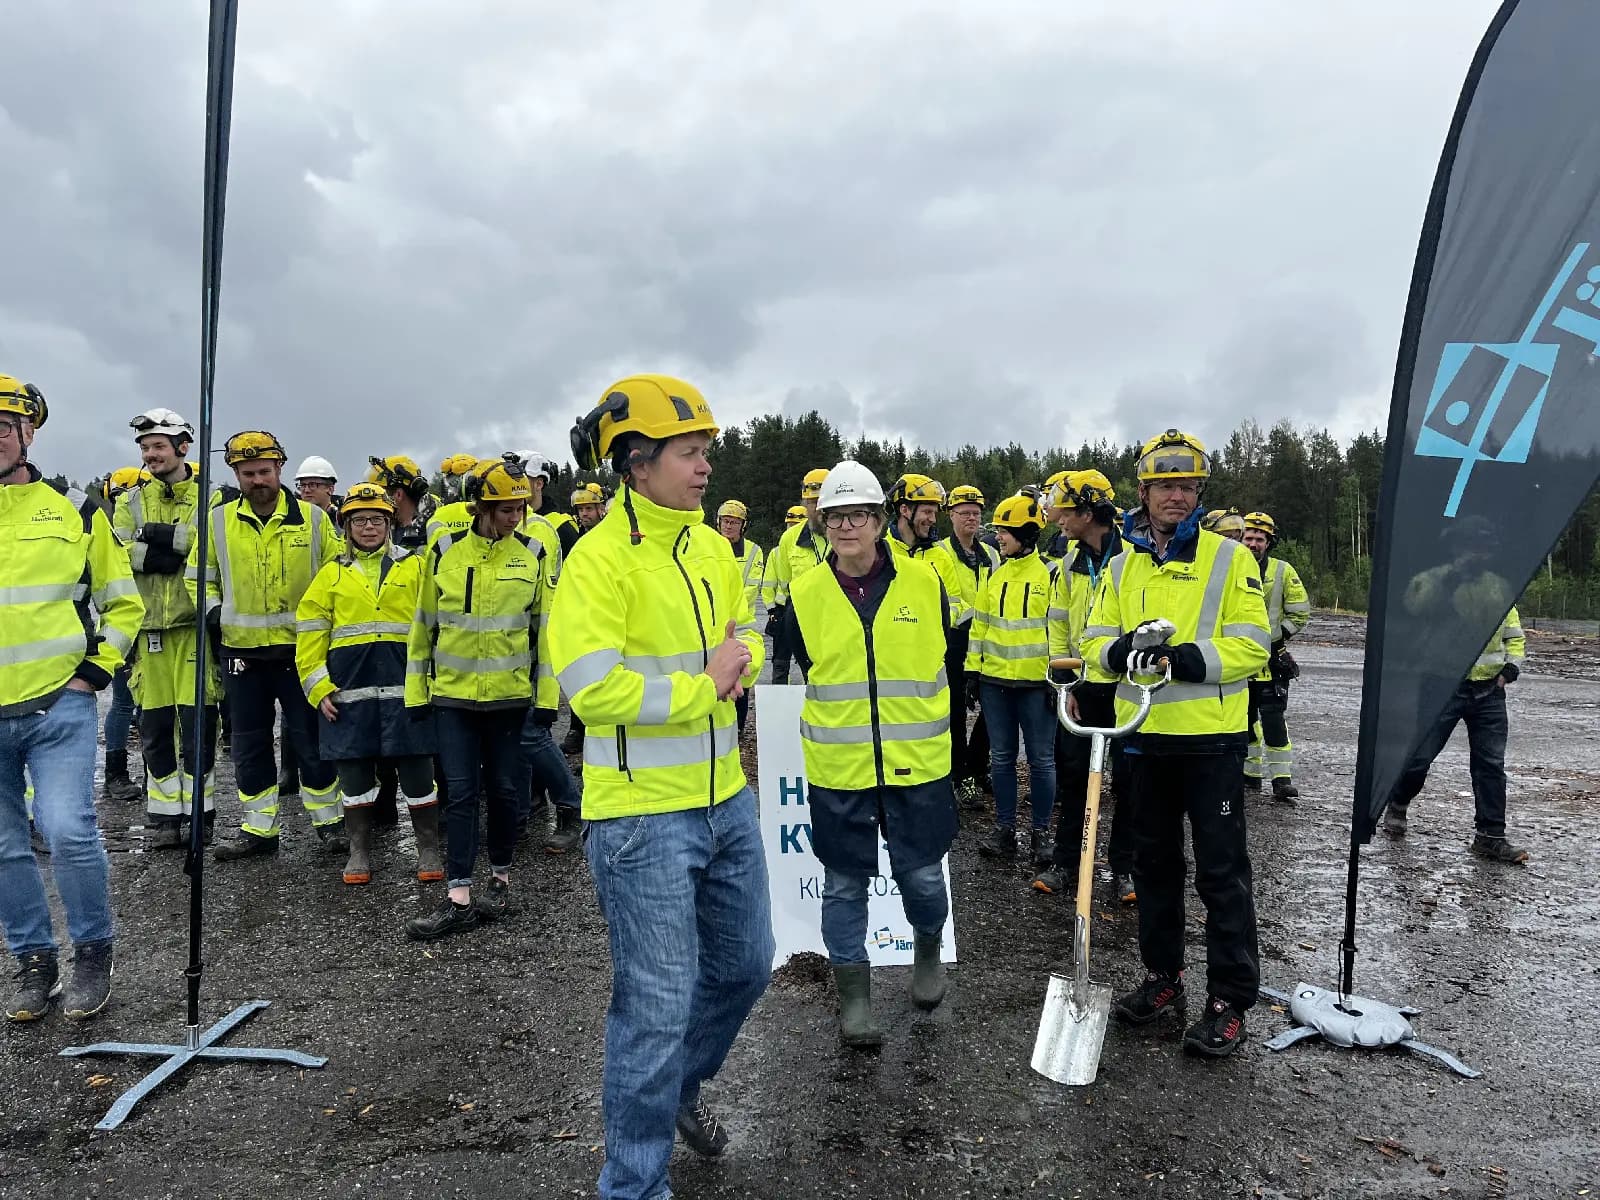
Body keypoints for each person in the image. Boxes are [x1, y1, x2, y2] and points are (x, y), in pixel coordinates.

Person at [549, 374, 770, 1200]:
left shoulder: (714, 547)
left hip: (726, 802)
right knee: (654, 1005)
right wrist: (704, 687)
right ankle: (633, 1185)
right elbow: (591, 688)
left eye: (707, 450)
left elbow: (737, 627)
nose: (706, 466)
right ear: (636, 464)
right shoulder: (598, 560)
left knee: (748, 967)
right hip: (642, 819)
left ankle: (675, 1092)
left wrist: (738, 656)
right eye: (689, 452)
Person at [1082, 428, 1270, 1058]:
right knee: (1155, 868)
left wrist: (1185, 659)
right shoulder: (1120, 563)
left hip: (1212, 743)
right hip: (1142, 740)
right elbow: (1092, 642)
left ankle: (1230, 999)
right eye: (1165, 485)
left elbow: (1253, 646)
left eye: (1187, 485)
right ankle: (1163, 976)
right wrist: (1119, 651)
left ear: (1199, 491)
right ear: (1144, 490)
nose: (1176, 496)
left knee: (1221, 875)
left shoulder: (1231, 557)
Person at [786, 461, 955, 1046]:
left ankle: (927, 949)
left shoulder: (923, 582)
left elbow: (943, 665)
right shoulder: (804, 591)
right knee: (843, 887)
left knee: (924, 879)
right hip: (841, 770)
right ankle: (854, 998)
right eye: (834, 516)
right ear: (822, 523)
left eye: (857, 514)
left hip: (918, 768)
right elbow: (809, 667)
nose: (845, 526)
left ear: (881, 521)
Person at [0, 375, 143, 1022]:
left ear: (29, 433)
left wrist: (95, 672)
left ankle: (92, 951)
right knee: (4, 845)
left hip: (59, 703)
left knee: (65, 828)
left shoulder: (76, 510)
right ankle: (33, 961)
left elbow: (122, 601)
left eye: (3, 426)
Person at [191, 431, 348, 862]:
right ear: (236, 475)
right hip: (241, 652)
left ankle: (330, 824)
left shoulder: (314, 521)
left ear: (280, 469)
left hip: (300, 652)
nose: (257, 480)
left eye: (264, 471)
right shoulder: (217, 521)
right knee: (248, 743)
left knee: (311, 739)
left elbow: (337, 576)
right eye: (248, 473)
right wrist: (214, 615)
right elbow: (198, 579)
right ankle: (259, 829)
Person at [404, 457, 543, 938]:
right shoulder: (443, 551)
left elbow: (543, 633)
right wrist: (416, 693)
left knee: (506, 792)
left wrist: (545, 700)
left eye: (520, 507)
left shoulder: (533, 554)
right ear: (482, 506)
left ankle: (500, 885)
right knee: (459, 795)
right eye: (505, 507)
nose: (514, 516)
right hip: (453, 700)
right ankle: (458, 897)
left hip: (509, 699)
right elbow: (423, 626)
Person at [296, 483, 444, 885]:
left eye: (376, 520)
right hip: (349, 692)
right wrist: (318, 686)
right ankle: (358, 850)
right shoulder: (330, 575)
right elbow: (310, 633)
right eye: (359, 520)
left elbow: (435, 626)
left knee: (417, 770)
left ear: (390, 523)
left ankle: (428, 847)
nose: (368, 527)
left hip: (406, 689)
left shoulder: (414, 567)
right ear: (345, 527)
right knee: (355, 775)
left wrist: (434, 679)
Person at [114, 409, 219, 848]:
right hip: (149, 631)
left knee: (198, 727)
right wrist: (171, 546)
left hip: (193, 629)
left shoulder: (211, 496)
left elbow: (209, 543)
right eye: (144, 448)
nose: (150, 455)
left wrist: (157, 538)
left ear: (182, 447)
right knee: (155, 728)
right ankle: (164, 818)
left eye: (158, 446)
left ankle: (201, 815)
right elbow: (119, 553)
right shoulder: (129, 501)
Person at [1037, 469, 1136, 904]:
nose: (1059, 518)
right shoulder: (1066, 564)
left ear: (1090, 511)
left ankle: (1125, 869)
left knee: (1131, 781)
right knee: (1074, 775)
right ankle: (1065, 862)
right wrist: (1065, 684)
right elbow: (1057, 627)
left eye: (1066, 511)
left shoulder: (1135, 558)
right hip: (1083, 687)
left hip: (1127, 687)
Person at [1380, 608, 1529, 862]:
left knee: (1491, 765)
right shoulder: (1441, 588)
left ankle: (1490, 837)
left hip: (1489, 689)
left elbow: (1515, 637)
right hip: (1441, 686)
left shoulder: (1500, 593)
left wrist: (1510, 669)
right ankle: (1398, 802)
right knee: (1420, 757)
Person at [967, 494, 1057, 867]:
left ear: (1026, 533)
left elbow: (1059, 630)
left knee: (1041, 760)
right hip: (995, 684)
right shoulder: (994, 575)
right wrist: (973, 671)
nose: (999, 537)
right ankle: (1004, 830)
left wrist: (1060, 678)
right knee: (1001, 759)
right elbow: (980, 627)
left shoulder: (1051, 575)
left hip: (1038, 686)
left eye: (1005, 531)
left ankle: (1041, 833)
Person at [512, 456, 584, 855]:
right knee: (514, 735)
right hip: (496, 648)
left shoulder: (546, 529)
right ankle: (523, 809)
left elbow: (551, 594)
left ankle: (570, 807)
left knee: (530, 733)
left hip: (532, 644)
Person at [930, 485, 998, 803]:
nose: (971, 518)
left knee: (993, 709)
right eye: (964, 513)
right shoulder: (942, 553)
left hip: (987, 641)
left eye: (975, 513)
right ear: (951, 516)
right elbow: (950, 604)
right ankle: (962, 776)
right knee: (956, 712)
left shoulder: (992, 554)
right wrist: (977, 614)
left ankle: (977, 765)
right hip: (955, 642)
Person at [1240, 511, 1310, 802]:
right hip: (1240, 659)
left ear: (1269, 542)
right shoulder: (1229, 567)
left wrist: (1276, 638)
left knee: (1273, 720)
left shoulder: (1283, 571)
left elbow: (1300, 612)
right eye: (1249, 538)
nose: (1253, 543)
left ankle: (1282, 780)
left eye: (1259, 539)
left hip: (1271, 661)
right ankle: (1250, 776)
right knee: (1244, 721)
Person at [99, 467, 149, 803]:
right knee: (129, 702)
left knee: (131, 702)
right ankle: (119, 774)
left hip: (135, 619)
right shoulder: (125, 517)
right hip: (131, 623)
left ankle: (137, 773)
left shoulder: (120, 518)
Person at [764, 469, 829, 685]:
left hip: (837, 618)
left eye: (822, 502)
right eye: (811, 503)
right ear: (804, 502)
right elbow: (784, 579)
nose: (817, 508)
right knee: (806, 674)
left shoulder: (846, 533)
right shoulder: (789, 539)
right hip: (799, 617)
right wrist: (776, 612)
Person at [716, 499, 764, 734]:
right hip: (714, 623)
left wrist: (724, 605)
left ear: (743, 526)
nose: (729, 527)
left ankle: (739, 729)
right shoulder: (709, 547)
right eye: (725, 521)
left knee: (742, 673)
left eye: (734, 523)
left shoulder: (754, 551)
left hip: (742, 624)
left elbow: (751, 588)